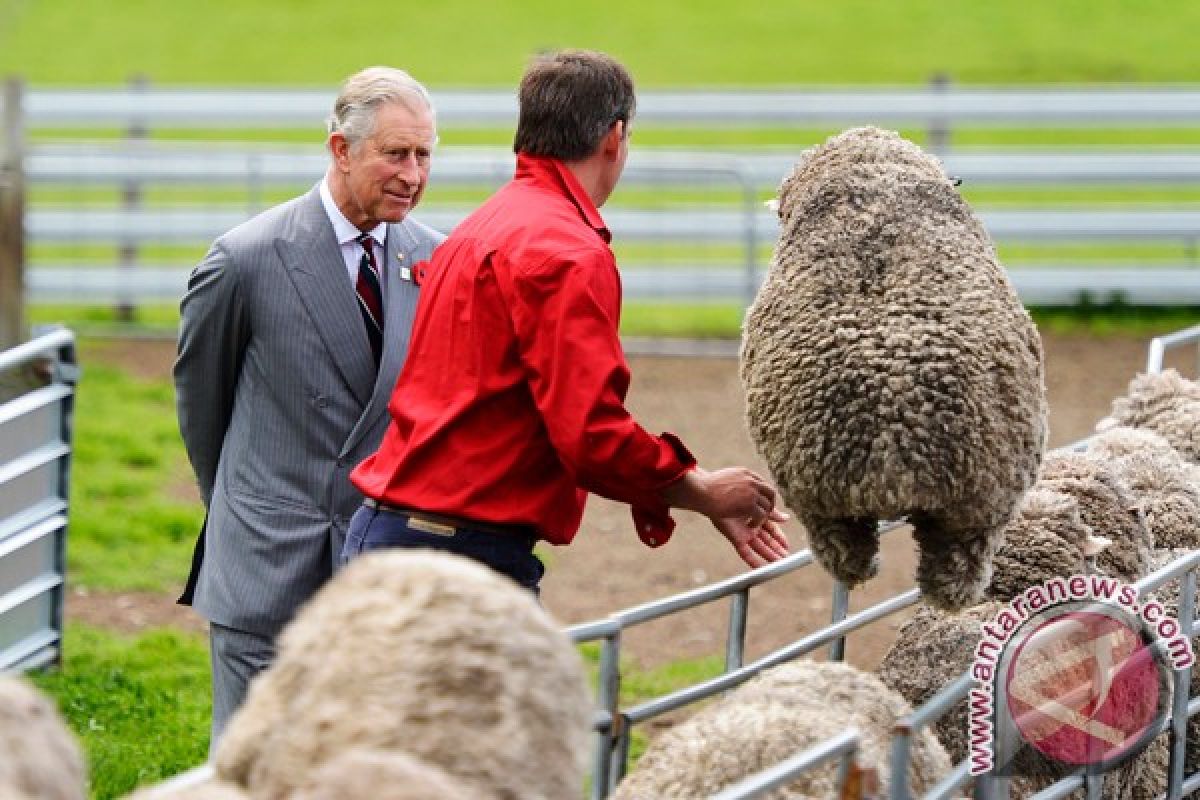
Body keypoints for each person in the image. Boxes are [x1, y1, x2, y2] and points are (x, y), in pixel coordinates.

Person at [342, 50, 790, 592]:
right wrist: (698, 488)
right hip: (456, 559)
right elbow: (589, 434)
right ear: (614, 136)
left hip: (397, 537)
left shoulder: (481, 227)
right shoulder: (567, 251)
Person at [173, 66, 444, 745]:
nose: (412, 174)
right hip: (268, 567)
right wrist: (243, 506)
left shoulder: (436, 260)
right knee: (253, 765)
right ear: (340, 150)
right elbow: (201, 405)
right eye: (396, 154)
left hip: (380, 575)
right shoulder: (246, 259)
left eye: (424, 155)